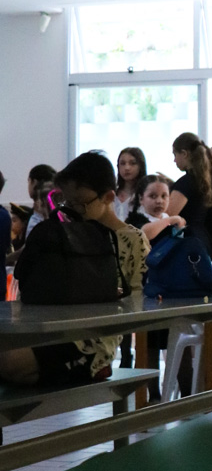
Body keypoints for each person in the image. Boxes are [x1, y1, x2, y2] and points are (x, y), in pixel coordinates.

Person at [0, 152, 147, 386]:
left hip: (91, 342)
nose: (73, 210)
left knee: (11, 362)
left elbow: (137, 302)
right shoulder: (66, 234)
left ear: (108, 197)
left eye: (80, 203)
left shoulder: (131, 240)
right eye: (67, 203)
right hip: (52, 328)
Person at [167, 132, 212, 251]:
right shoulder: (204, 180)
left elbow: (169, 215)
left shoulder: (185, 183)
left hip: (188, 240)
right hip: (203, 238)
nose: (174, 160)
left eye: (175, 154)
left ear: (184, 154)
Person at [128, 174, 185, 242]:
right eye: (153, 196)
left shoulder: (167, 218)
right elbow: (143, 234)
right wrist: (169, 221)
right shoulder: (134, 219)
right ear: (141, 198)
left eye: (163, 196)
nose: (159, 201)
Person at [114, 147, 148, 222]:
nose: (127, 168)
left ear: (140, 166)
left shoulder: (146, 195)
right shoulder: (112, 195)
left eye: (132, 163)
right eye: (122, 163)